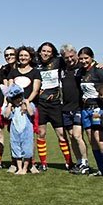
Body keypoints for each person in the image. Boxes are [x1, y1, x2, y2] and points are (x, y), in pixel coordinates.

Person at [36, 42, 74, 171]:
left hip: (55, 104)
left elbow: (73, 60)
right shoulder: (35, 64)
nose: (46, 53)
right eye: (44, 51)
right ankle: (43, 163)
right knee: (41, 133)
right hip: (40, 104)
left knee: (61, 135)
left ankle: (69, 162)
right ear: (40, 51)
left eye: (48, 51)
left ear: (52, 53)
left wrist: (97, 64)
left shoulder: (58, 61)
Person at [78, 46, 103, 177]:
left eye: (86, 58)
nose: (83, 61)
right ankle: (101, 170)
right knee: (92, 141)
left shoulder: (99, 70)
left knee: (100, 140)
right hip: (85, 110)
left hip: (97, 110)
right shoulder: (80, 71)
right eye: (81, 59)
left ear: (91, 57)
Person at [6, 46, 41, 173]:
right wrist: (11, 103)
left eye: (26, 55)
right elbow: (9, 90)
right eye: (21, 55)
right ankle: (15, 164)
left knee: (28, 137)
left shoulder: (35, 72)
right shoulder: (13, 72)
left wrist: (27, 102)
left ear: (30, 57)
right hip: (15, 107)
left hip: (28, 107)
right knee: (14, 136)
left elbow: (35, 90)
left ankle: (30, 164)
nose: (23, 58)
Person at [60, 44, 91, 174]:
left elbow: (92, 66)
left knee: (78, 136)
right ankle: (78, 162)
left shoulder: (82, 67)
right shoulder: (61, 68)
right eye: (66, 57)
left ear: (76, 55)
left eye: (72, 56)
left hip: (79, 106)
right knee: (71, 136)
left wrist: (101, 64)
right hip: (66, 108)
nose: (70, 59)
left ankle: (85, 162)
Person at [2, 84, 37, 175]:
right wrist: (9, 106)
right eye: (15, 98)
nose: (18, 100)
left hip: (26, 131)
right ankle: (19, 168)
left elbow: (31, 113)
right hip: (15, 132)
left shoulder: (28, 105)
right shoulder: (13, 107)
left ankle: (25, 168)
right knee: (16, 149)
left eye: (19, 97)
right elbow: (6, 116)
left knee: (27, 150)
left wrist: (27, 103)